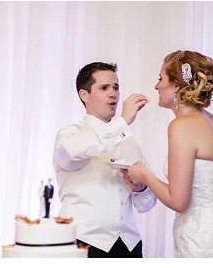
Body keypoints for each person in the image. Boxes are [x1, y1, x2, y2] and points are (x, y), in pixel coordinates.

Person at [124, 50, 213, 257]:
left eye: (160, 78)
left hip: (202, 242)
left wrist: (144, 174)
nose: (156, 86)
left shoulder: (181, 126)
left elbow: (179, 201)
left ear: (175, 85)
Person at [53, 61, 157, 258]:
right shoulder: (69, 135)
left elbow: (147, 203)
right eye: (104, 88)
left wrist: (140, 188)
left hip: (129, 246)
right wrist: (123, 122)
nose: (113, 94)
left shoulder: (129, 142)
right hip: (82, 243)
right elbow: (75, 152)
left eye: (116, 87)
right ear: (84, 95)